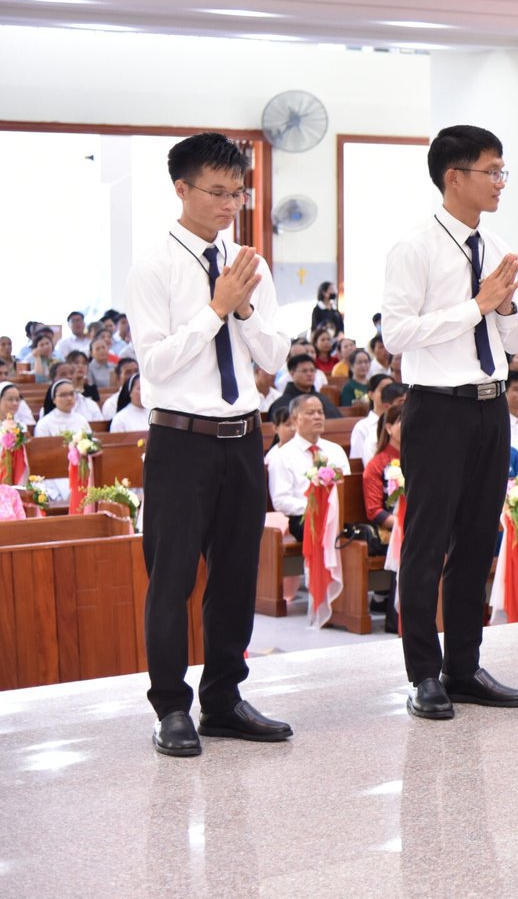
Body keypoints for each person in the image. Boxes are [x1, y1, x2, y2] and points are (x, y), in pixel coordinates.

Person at [126, 132, 292, 756]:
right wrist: (216, 308)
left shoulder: (250, 264)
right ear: (181, 188)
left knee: (236, 576)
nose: (230, 205)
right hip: (181, 440)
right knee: (171, 579)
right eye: (217, 192)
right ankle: (171, 707)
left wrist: (243, 311)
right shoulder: (154, 266)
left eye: (238, 193)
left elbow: (274, 356)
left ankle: (223, 699)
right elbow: (156, 367)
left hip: (242, 438)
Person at [381, 124, 518, 719]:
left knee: (476, 540)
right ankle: (423, 673)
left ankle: (464, 667)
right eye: (491, 172)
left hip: (491, 404)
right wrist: (476, 306)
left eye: (502, 172)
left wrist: (506, 306)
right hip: (438, 407)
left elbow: (517, 339)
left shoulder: (497, 247)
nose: (500, 183)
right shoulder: (414, 248)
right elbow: (397, 335)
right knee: (427, 543)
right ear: (453, 177)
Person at [267, 394, 352, 544]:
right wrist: (316, 508)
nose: (317, 417)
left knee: (360, 532)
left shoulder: (335, 450)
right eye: (310, 413)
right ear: (295, 419)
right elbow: (281, 500)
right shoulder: (282, 456)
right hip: (302, 518)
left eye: (320, 412)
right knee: (323, 531)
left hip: (336, 515)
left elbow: (347, 489)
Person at [363, 404, 404, 535]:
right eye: (402, 421)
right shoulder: (376, 465)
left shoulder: (420, 460)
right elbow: (374, 511)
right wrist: (405, 525)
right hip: (394, 530)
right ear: (389, 428)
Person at [267, 354, 340, 420]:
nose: (309, 374)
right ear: (292, 373)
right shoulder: (281, 404)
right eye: (304, 371)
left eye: (312, 370)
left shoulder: (323, 399)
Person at [350, 375, 400, 463]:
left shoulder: (401, 424)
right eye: (383, 389)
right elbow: (357, 460)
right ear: (371, 394)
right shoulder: (362, 427)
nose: (387, 394)